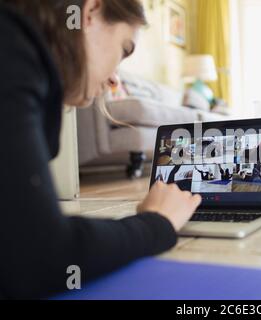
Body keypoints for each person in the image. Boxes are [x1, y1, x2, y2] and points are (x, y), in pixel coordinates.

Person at [0, 0, 201, 300]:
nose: (114, 79)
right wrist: (158, 223)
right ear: (90, 12)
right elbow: (40, 257)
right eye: (124, 49)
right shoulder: (12, 48)